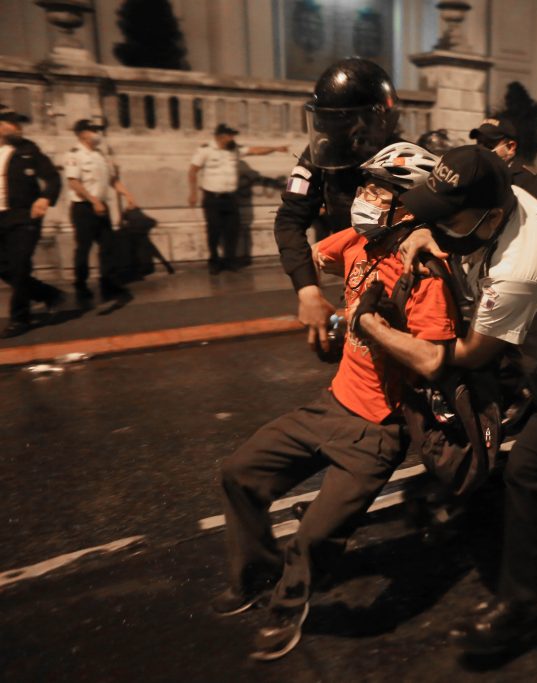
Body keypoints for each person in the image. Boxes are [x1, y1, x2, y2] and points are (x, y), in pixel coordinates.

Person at [214, 142, 456, 662]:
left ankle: (288, 605)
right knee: (239, 473)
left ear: (408, 207)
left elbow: (433, 361)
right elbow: (307, 252)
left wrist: (368, 321)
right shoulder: (359, 240)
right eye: (364, 187)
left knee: (313, 538)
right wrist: (312, 299)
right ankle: (257, 572)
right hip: (330, 405)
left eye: (376, 191)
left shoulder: (425, 273)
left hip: (376, 433)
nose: (362, 199)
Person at [389, 145, 537, 652]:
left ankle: (519, 604)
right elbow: (456, 231)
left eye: (448, 216)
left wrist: (420, 349)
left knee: (529, 470)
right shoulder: (501, 200)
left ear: (490, 216)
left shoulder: (520, 265)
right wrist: (428, 229)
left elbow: (472, 353)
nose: (439, 223)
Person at [275, 58, 401, 359]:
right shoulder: (321, 154)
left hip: (400, 280)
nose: (334, 131)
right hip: (354, 277)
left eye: (344, 120)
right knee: (331, 344)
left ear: (375, 120)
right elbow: (289, 221)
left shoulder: (405, 159)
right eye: (330, 120)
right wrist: (307, 290)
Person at [188, 123, 288, 274]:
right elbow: (192, 171)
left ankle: (230, 261)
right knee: (214, 230)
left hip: (231, 198)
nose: (232, 138)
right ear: (220, 136)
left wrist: (275, 148)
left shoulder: (235, 150)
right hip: (212, 198)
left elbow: (255, 151)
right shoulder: (205, 150)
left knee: (232, 230)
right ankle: (214, 261)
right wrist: (193, 193)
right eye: (230, 135)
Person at [0, 108, 65, 338]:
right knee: (5, 269)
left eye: (18, 123)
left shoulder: (28, 149)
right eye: (11, 123)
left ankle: (20, 318)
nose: (17, 127)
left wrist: (45, 198)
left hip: (24, 217)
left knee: (19, 266)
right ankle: (48, 294)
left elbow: (53, 178)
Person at [64, 118, 137, 305]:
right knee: (84, 248)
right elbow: (73, 182)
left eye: (98, 130)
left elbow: (113, 180)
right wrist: (94, 201)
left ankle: (108, 285)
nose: (98, 134)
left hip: (101, 207)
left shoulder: (100, 155)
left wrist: (128, 195)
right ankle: (81, 285)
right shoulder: (74, 155)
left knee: (108, 246)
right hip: (84, 208)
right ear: (82, 134)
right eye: (93, 130)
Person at [469, 116, 537, 211]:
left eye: (488, 144)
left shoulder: (533, 182)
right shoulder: (472, 175)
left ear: (510, 147)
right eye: (479, 143)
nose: (481, 149)